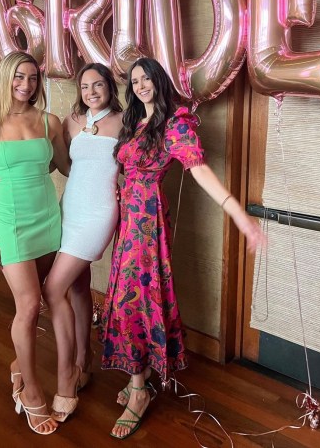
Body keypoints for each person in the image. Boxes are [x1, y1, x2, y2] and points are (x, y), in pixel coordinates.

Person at [100, 57, 266, 439]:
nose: (141, 85)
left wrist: (240, 216)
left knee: (135, 299)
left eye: (147, 78)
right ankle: (136, 373)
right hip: (127, 223)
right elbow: (124, 168)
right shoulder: (134, 122)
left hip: (147, 223)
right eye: (136, 80)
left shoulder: (174, 124)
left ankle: (139, 389)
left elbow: (199, 170)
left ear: (160, 81)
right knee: (127, 297)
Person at [0, 52, 70, 436]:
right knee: (28, 306)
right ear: (5, 78)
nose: (25, 85)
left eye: (31, 78)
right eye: (18, 77)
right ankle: (31, 390)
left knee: (44, 297)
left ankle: (18, 365)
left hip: (47, 216)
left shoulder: (49, 121)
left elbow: (62, 165)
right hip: (10, 222)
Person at [43, 63, 123, 422]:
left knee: (53, 287)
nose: (91, 91)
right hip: (70, 208)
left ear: (109, 87)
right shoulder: (70, 120)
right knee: (77, 287)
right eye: (86, 86)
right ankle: (84, 361)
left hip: (99, 212)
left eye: (99, 85)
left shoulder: (125, 120)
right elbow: (60, 163)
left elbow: (135, 164)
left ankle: (68, 378)